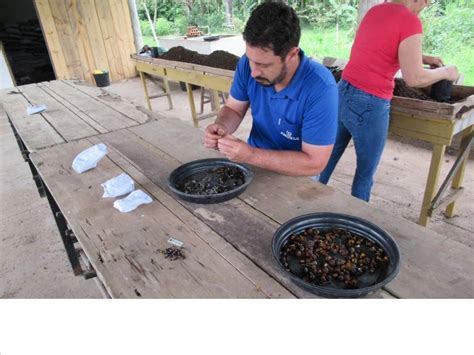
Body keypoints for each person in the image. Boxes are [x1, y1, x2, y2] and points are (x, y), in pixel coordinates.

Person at [318, 0, 458, 201]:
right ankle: (357, 225)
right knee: (364, 174)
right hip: (369, 101)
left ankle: (301, 209)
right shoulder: (410, 21)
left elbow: (382, 47)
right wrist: (447, 71)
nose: (426, 5)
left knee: (325, 159)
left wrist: (425, 58)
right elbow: (414, 78)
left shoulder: (376, 10)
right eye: (427, 1)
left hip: (343, 91)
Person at [204, 2, 338, 176]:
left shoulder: (321, 88)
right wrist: (221, 126)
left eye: (263, 64)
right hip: (254, 161)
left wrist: (250, 154)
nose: (253, 72)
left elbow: (314, 163)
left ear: (291, 55)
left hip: (297, 174)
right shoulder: (248, 64)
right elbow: (233, 109)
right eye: (251, 59)